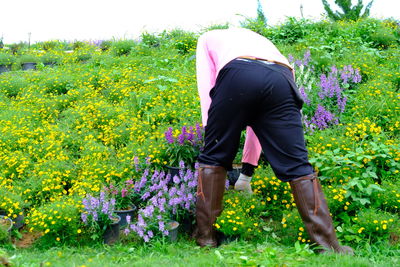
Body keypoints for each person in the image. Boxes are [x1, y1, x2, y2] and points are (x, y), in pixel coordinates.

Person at [194, 27, 353, 254]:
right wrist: (247, 172)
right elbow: (260, 127)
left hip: (236, 72)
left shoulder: (208, 37)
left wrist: (213, 133)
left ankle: (206, 239)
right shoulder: (261, 40)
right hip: (282, 76)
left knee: (214, 157)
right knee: (298, 164)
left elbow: (207, 85)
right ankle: (328, 245)